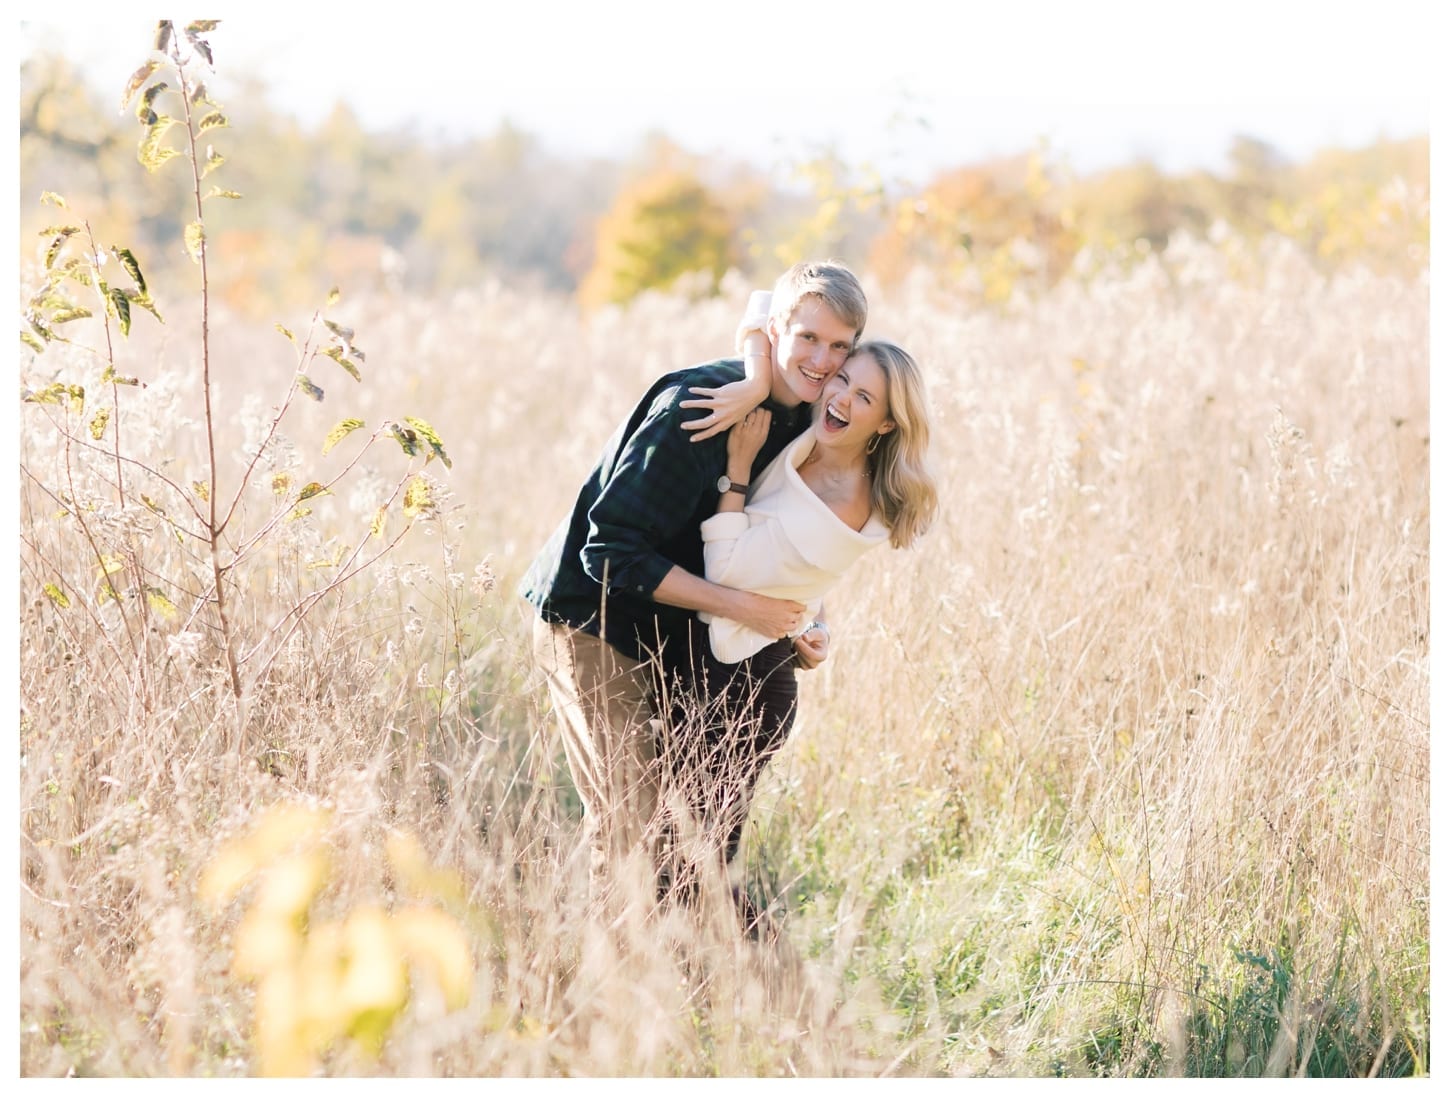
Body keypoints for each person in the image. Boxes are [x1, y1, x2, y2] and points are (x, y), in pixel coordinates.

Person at [519, 261, 868, 902]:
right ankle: (597, 988)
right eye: (808, 339)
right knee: (626, 824)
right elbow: (611, 553)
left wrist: (805, 624)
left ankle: (675, 978)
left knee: (679, 829)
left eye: (839, 346)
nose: (822, 361)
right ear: (776, 331)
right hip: (593, 617)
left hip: (675, 628)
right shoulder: (700, 405)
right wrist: (746, 608)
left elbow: (776, 543)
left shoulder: (810, 424)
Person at [665, 337, 938, 909]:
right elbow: (771, 306)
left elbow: (731, 571)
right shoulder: (810, 437)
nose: (839, 398)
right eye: (842, 380)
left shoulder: (844, 502)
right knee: (668, 839)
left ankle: (716, 979)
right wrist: (757, 379)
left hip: (746, 684)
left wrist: (737, 469)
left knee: (694, 856)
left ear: (887, 424)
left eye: (864, 398)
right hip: (713, 653)